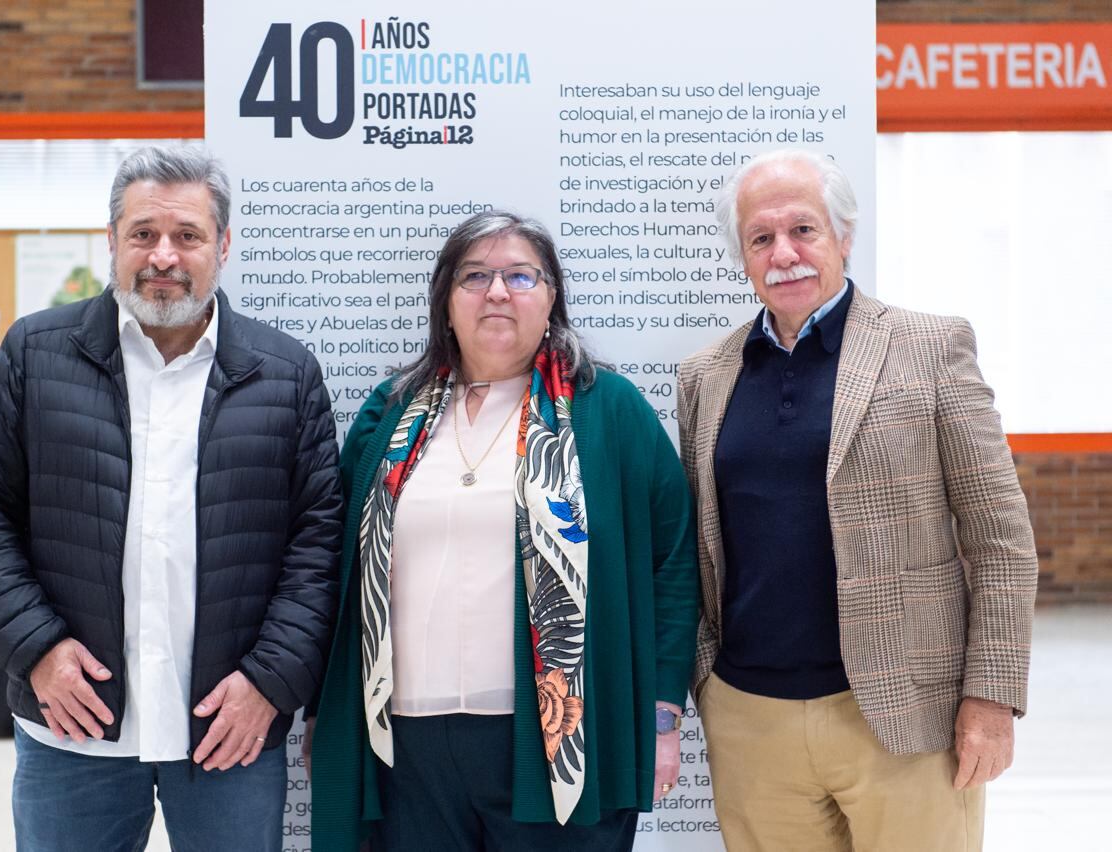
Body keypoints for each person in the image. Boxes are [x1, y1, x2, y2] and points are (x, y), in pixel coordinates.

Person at [0, 145, 343, 851]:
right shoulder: (35, 355)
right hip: (73, 728)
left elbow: (318, 545)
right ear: (112, 241)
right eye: (143, 234)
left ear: (222, 245)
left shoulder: (287, 375)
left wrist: (269, 684)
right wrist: (36, 649)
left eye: (187, 235)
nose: (163, 255)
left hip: (229, 731)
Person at [676, 148, 1038, 852]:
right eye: (762, 238)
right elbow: (702, 547)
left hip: (905, 721)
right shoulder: (704, 378)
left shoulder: (931, 348)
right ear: (743, 257)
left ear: (843, 236)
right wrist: (706, 686)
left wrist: (991, 699)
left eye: (803, 230)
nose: (784, 253)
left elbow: (1001, 539)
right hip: (752, 723)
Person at [307, 210, 699, 851]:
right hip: (404, 745)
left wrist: (661, 717)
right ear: (446, 300)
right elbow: (336, 571)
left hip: (556, 740)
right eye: (474, 276)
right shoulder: (389, 413)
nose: (496, 291)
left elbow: (674, 563)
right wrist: (326, 713)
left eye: (520, 275)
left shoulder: (608, 410)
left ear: (551, 298)